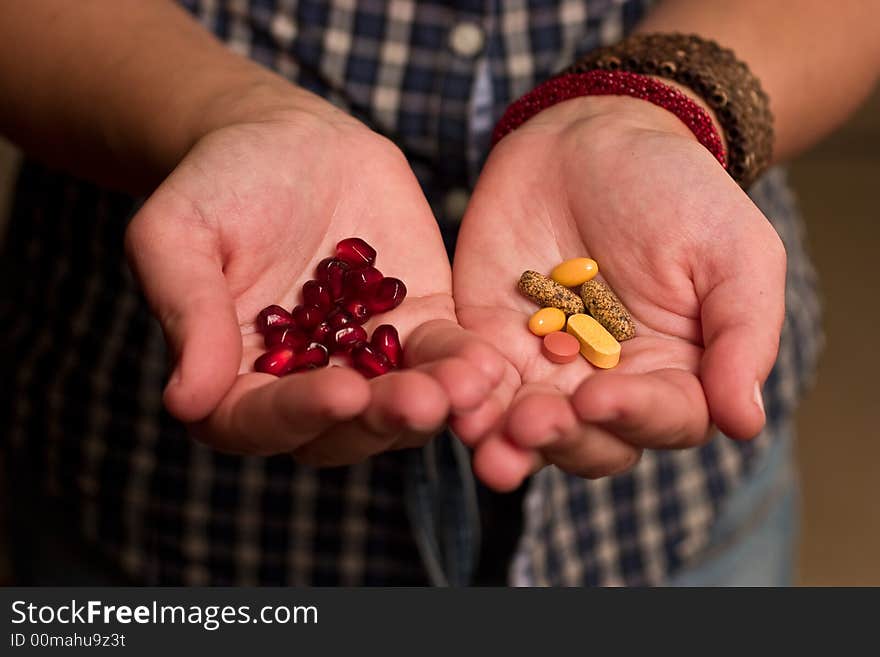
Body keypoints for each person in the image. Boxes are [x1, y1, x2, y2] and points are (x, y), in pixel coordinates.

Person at [0, 0, 877, 586]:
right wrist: (224, 112)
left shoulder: (583, 313)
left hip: (673, 519)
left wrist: (659, 104)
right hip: (157, 507)